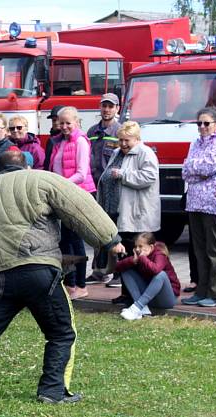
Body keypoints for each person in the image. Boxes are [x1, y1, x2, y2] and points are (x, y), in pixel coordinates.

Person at [0, 168, 124, 410]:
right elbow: (79, 205)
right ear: (26, 166)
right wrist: (110, 240)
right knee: (61, 332)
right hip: (37, 270)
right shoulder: (41, 179)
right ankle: (53, 391)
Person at [180, 107, 216, 308]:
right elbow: (186, 170)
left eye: (206, 123)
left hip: (213, 203)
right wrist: (195, 169)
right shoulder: (195, 143)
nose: (202, 127)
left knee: (214, 250)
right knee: (199, 250)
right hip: (194, 202)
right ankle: (201, 290)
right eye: (199, 123)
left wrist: (195, 168)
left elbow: (207, 167)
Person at [48, 106, 96, 300]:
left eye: (68, 123)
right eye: (62, 123)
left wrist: (59, 184)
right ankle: (70, 283)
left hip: (78, 195)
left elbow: (81, 173)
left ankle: (81, 285)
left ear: (76, 122)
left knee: (76, 241)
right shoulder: (59, 141)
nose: (65, 126)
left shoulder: (81, 142)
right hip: (63, 197)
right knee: (65, 241)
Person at [98, 121, 160, 265]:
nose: (123, 143)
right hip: (114, 208)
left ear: (137, 139)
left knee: (132, 243)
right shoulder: (116, 152)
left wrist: (123, 174)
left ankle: (127, 274)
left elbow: (149, 177)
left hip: (135, 211)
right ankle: (117, 272)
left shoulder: (145, 153)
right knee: (119, 242)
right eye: (121, 140)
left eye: (127, 140)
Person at [85, 94, 122, 284]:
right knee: (96, 228)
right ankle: (99, 270)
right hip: (94, 187)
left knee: (114, 230)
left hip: (113, 189)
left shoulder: (121, 131)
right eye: (104, 106)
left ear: (117, 108)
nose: (106, 110)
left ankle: (117, 272)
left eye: (110, 106)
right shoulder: (92, 131)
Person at [116, 232, 180, 320]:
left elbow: (155, 270)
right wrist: (133, 260)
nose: (137, 249)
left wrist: (142, 258)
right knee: (126, 270)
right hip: (149, 298)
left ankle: (136, 308)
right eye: (136, 246)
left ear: (151, 247)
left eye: (140, 246)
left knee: (161, 275)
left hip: (167, 299)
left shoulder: (159, 254)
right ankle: (142, 309)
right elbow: (117, 267)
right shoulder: (138, 256)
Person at [43, 105, 65, 170]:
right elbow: (47, 163)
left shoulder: (71, 138)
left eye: (59, 120)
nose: (56, 123)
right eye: (54, 120)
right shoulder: (51, 140)